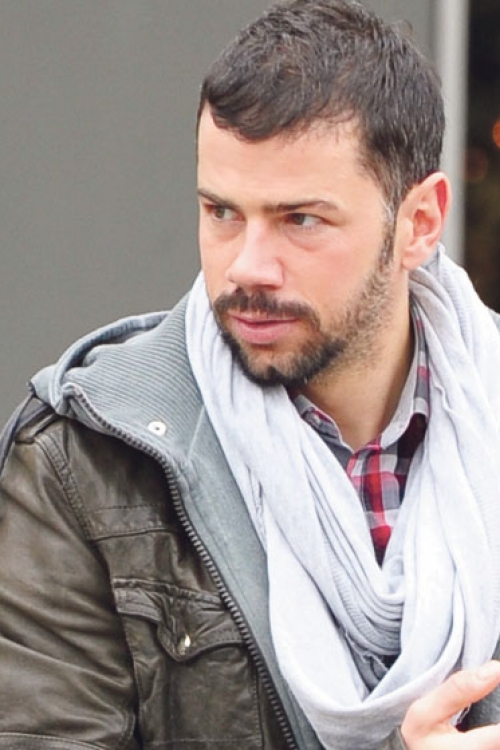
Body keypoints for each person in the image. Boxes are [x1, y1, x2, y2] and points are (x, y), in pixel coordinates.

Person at [1, 0, 500, 748]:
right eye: (222, 212)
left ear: (419, 223)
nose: (247, 267)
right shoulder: (86, 464)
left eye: (301, 220)